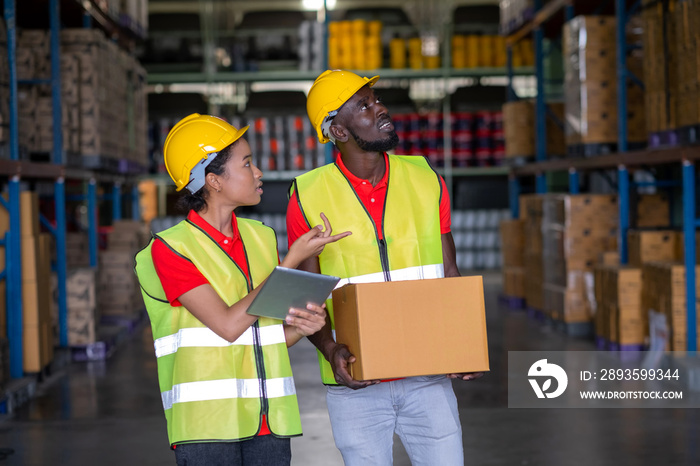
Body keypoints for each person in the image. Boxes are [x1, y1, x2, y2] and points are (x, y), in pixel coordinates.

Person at [286, 70, 483, 466]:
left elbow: (449, 271)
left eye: (375, 100)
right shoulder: (307, 194)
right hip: (356, 380)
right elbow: (305, 296)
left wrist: (465, 343)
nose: (380, 109)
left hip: (429, 378)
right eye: (364, 105)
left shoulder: (425, 179)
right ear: (338, 131)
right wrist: (329, 349)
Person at [134, 113, 350, 466]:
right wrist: (292, 261)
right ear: (213, 180)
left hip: (269, 423)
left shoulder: (261, 238)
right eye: (247, 164)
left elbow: (263, 338)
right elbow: (228, 326)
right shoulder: (171, 249)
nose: (258, 173)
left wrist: (299, 328)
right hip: (207, 429)